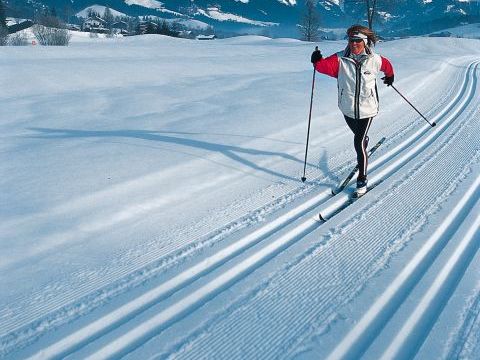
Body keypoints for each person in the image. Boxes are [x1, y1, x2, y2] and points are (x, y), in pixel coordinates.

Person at [311, 24, 394, 196]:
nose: (354, 44)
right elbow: (322, 67)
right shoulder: (340, 60)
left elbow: (387, 66)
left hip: (368, 109)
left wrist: (390, 76)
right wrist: (316, 60)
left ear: (365, 42)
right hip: (347, 108)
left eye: (357, 40)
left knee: (358, 142)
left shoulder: (375, 60)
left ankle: (362, 179)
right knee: (360, 137)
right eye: (351, 40)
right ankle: (363, 141)